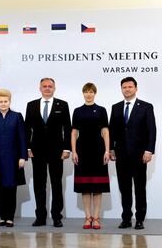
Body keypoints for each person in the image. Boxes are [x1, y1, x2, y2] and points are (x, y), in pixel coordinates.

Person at [109, 76, 156, 230]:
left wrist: (149, 150)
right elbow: (112, 130)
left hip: (139, 155)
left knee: (140, 188)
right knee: (125, 188)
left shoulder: (146, 107)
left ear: (136, 88)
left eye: (130, 87)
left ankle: (140, 219)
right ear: (121, 89)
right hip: (121, 155)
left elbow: (151, 130)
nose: (127, 89)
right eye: (124, 87)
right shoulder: (115, 107)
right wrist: (111, 149)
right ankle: (126, 219)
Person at [25, 77, 71, 227]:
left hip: (57, 151)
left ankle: (57, 216)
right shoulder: (31, 105)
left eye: (50, 86)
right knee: (39, 184)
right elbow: (27, 128)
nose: (47, 88)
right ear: (40, 88)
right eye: (44, 86)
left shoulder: (63, 105)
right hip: (37, 151)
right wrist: (27, 148)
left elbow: (67, 128)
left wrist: (66, 148)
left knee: (56, 183)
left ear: (54, 88)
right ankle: (40, 217)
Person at [0, 89, 27, 227]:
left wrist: (22, 157)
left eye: (5, 101)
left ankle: (10, 218)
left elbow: (22, 138)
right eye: (0, 101)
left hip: (13, 159)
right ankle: (2, 217)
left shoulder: (17, 116)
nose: (3, 104)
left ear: (10, 102)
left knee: (11, 189)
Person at [71, 83, 110, 230]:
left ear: (95, 93)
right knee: (85, 187)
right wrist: (74, 151)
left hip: (98, 150)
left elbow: (105, 132)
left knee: (98, 187)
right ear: (83, 94)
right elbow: (74, 133)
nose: (88, 94)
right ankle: (87, 218)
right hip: (82, 150)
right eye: (86, 92)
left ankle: (96, 218)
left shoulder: (101, 110)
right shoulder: (77, 111)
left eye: (91, 92)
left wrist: (107, 151)